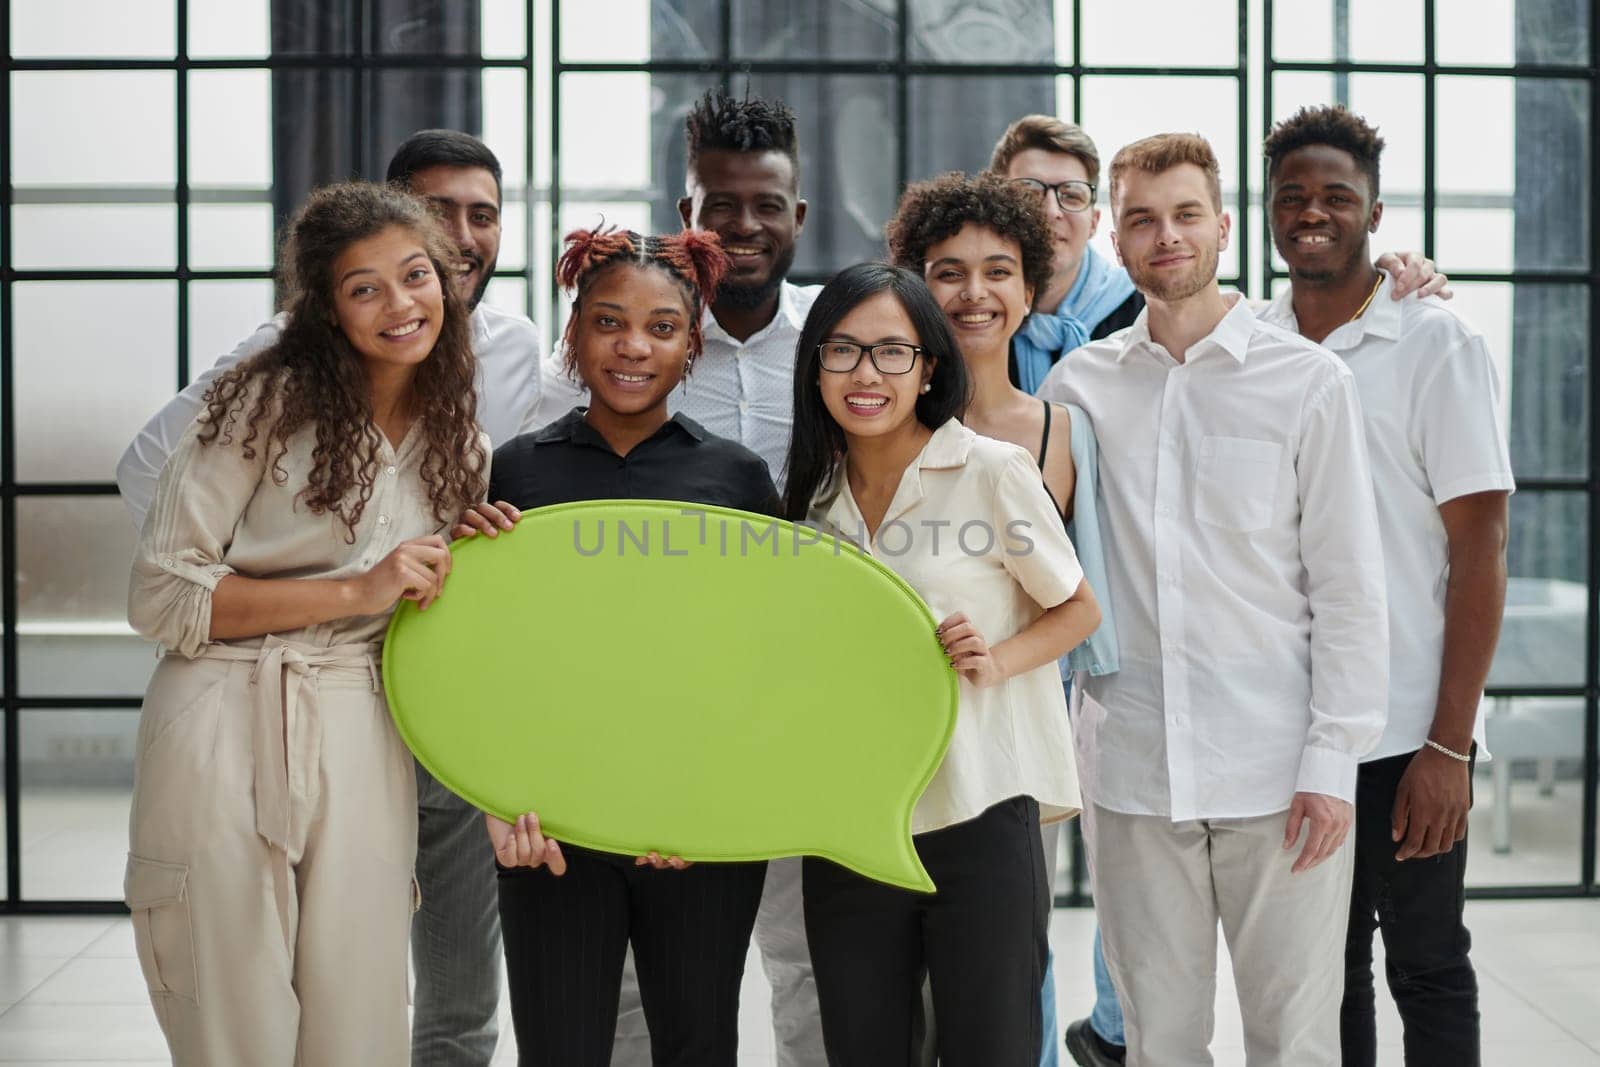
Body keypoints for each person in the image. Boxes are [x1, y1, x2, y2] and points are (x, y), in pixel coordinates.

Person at [991, 112, 1448, 1067]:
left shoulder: (1309, 382)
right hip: (1132, 773)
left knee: (1295, 1042)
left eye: (1187, 214)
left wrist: (1333, 762)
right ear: (1118, 239)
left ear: (1224, 227)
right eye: (1145, 219)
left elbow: (1351, 589)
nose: (1168, 236)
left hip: (1278, 774)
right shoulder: (1081, 387)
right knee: (1159, 1039)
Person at [116, 129, 538, 1067]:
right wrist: (357, 586)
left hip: (365, 720)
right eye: (365, 287)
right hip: (223, 711)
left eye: (417, 275)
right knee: (236, 1013)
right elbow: (161, 592)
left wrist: (466, 558)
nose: (402, 303)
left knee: (361, 1018)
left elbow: (418, 597)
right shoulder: (256, 406)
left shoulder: (457, 435)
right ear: (326, 307)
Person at [530, 87, 828, 1067]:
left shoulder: (837, 345)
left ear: (798, 213)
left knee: (795, 960)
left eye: (766, 205)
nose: (744, 224)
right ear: (686, 213)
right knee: (609, 999)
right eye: (719, 204)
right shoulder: (592, 371)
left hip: (768, 712)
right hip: (604, 731)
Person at [461, 226, 778, 1067]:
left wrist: (719, 802)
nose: (633, 346)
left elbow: (764, 656)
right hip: (551, 821)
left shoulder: (739, 479)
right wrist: (499, 796)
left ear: (691, 344)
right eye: (608, 322)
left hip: (700, 818)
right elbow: (486, 654)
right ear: (574, 333)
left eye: (662, 327)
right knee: (560, 1049)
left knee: (698, 1043)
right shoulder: (514, 474)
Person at [784, 262, 1101, 1066]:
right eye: (843, 351)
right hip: (852, 817)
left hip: (981, 808)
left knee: (988, 1049)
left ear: (929, 366)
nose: (866, 374)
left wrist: (997, 658)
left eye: (892, 351)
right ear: (814, 364)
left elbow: (1078, 607)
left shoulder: (992, 471)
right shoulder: (812, 499)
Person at [1261, 105, 1513, 1067]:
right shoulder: (1257, 339)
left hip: (1409, 727)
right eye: (1294, 197)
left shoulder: (1437, 344)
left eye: (1336, 196)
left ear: (1374, 209)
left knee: (1426, 960)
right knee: (1325, 969)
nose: (1313, 213)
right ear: (1272, 213)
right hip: (1293, 726)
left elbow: (1481, 548)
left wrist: (1449, 742)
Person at [885, 170, 1121, 1066]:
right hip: (893, 741)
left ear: (1030, 287)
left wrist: (1002, 660)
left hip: (1015, 737)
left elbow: (1081, 604)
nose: (974, 294)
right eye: (948, 271)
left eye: (998, 271)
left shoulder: (1064, 430)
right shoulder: (872, 416)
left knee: (1006, 986)